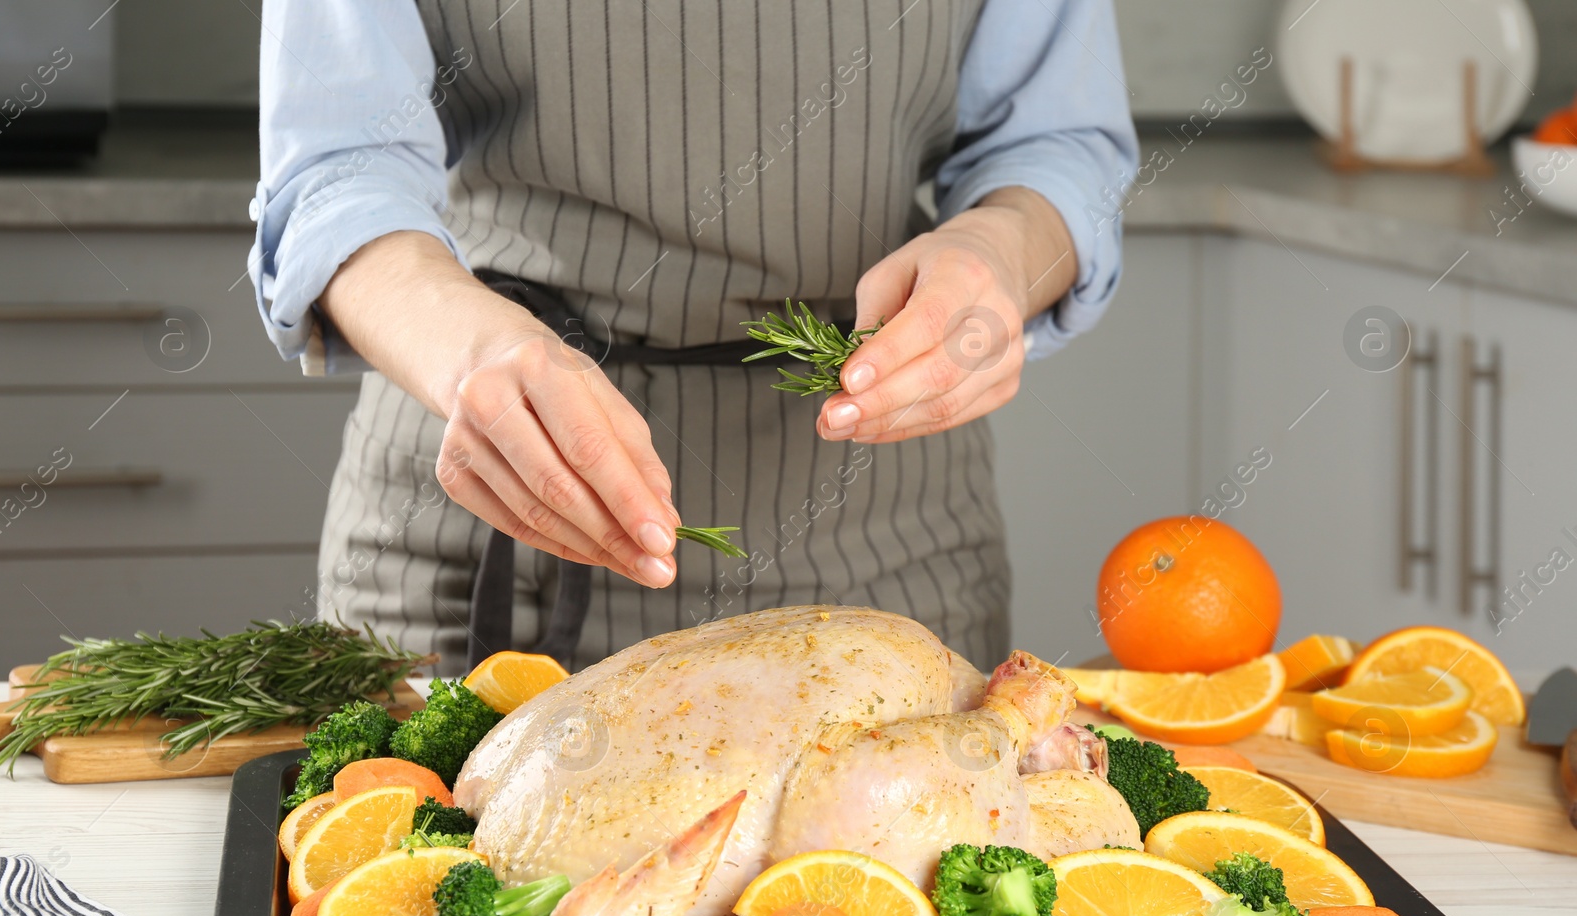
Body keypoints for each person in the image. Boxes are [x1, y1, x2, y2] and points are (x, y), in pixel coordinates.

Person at [251, 0, 1136, 674]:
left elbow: (1057, 144)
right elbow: (336, 171)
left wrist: (997, 254)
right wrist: (470, 350)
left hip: (878, 551)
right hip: (489, 510)